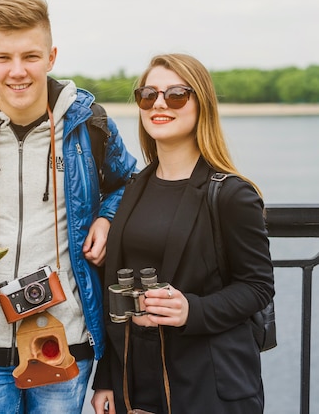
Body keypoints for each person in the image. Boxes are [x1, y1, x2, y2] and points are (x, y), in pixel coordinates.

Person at [0, 0, 137, 412]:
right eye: (4, 57)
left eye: (31, 56)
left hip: (65, 341)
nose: (17, 71)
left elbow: (130, 183)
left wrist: (107, 218)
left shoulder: (88, 124)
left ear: (51, 57)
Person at [91, 53, 275, 414]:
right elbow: (117, 300)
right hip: (139, 383)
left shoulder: (232, 194)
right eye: (148, 95)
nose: (159, 103)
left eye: (176, 94)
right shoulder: (132, 189)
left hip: (209, 383)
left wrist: (192, 309)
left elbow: (258, 287)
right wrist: (107, 379)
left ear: (201, 104)